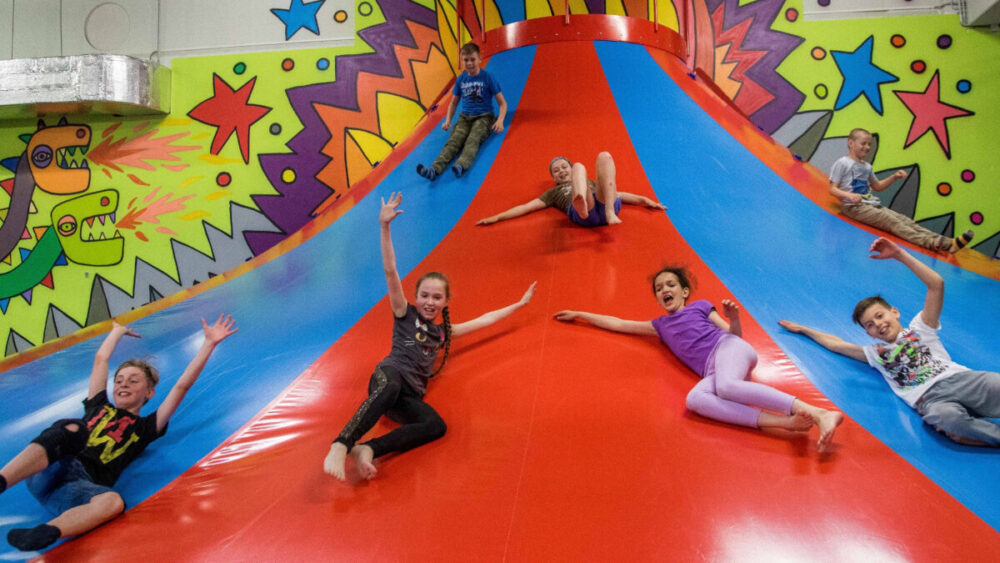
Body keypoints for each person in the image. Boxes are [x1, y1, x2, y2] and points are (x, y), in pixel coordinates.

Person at [323, 192, 536, 481]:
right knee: (391, 385)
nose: (429, 301)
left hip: (406, 396)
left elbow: (485, 320)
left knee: (435, 425)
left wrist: (519, 305)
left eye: (437, 297)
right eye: (424, 295)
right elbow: (390, 271)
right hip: (387, 377)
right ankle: (342, 443)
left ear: (445, 302)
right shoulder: (404, 313)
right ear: (416, 297)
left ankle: (368, 449)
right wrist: (384, 227)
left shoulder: (443, 333)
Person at [0, 315, 238, 552]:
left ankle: (47, 532)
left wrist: (208, 345)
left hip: (77, 489)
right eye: (120, 380)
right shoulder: (97, 404)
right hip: (53, 468)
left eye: (133, 381)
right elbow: (101, 359)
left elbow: (181, 386)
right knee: (72, 429)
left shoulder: (146, 427)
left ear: (149, 393)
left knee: (114, 502)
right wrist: (117, 331)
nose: (124, 384)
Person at [554, 266, 843, 452]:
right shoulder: (659, 325)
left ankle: (818, 412)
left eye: (670, 285)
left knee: (726, 387)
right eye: (659, 289)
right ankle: (786, 423)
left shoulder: (700, 307)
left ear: (684, 292)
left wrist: (734, 318)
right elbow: (619, 323)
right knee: (695, 400)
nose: (664, 290)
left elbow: (735, 336)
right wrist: (581, 314)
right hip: (713, 371)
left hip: (730, 348)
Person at [779, 237, 1000, 446]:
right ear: (869, 333)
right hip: (930, 399)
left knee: (996, 383)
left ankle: (965, 435)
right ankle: (976, 435)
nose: (878, 324)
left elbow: (937, 284)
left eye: (880, 316)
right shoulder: (875, 353)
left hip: (959, 379)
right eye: (870, 325)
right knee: (946, 418)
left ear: (895, 312)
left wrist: (899, 254)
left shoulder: (921, 328)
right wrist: (804, 329)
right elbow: (835, 344)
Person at [829, 128, 973, 253]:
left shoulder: (867, 167)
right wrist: (849, 195)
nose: (867, 147)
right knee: (890, 220)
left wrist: (894, 177)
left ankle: (947, 243)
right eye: (863, 143)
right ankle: (932, 243)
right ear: (851, 143)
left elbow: (877, 186)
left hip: (871, 204)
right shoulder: (843, 163)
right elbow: (832, 189)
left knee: (904, 220)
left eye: (869, 144)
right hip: (853, 207)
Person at [477, 152, 665, 227]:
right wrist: (497, 217)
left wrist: (645, 201)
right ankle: (581, 204)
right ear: (553, 178)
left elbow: (618, 194)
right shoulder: (552, 193)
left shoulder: (590, 181)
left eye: (564, 167)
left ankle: (609, 211)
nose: (561, 171)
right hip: (584, 214)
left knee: (605, 156)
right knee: (579, 166)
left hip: (604, 205)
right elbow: (527, 207)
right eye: (556, 170)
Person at [417, 42, 507, 180]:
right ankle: (434, 170)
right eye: (466, 60)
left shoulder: (487, 77)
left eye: (472, 59)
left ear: (479, 59)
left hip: (484, 117)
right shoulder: (461, 79)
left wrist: (500, 120)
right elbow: (453, 103)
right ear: (462, 61)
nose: (469, 63)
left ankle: (461, 165)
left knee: (473, 139)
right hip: (465, 117)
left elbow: (502, 103)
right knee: (454, 140)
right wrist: (448, 120)